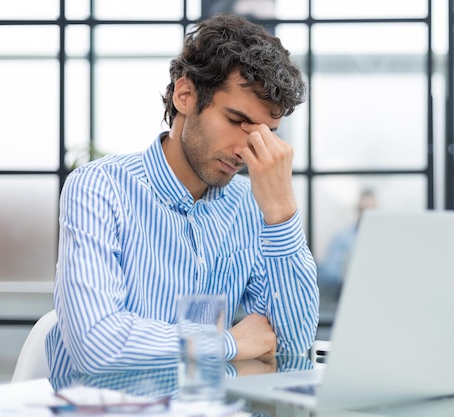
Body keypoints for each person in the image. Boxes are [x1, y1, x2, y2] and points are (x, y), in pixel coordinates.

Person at [46, 13, 319, 378]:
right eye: (237, 121)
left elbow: (292, 342)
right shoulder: (100, 188)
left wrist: (282, 212)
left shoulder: (252, 206)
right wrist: (228, 343)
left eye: (265, 132)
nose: (246, 148)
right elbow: (96, 345)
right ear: (185, 95)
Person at [319, 189, 377, 291]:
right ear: (357, 209)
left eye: (371, 210)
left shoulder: (382, 239)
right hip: (346, 291)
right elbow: (329, 272)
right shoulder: (342, 237)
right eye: (363, 210)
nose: (367, 214)